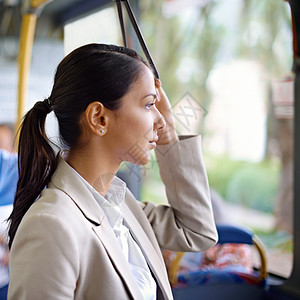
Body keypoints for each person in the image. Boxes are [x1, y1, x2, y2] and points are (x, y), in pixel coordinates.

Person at [7, 44, 217, 300]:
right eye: (150, 105)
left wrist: (170, 134)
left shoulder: (121, 207)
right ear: (99, 118)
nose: (160, 122)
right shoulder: (51, 225)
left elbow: (197, 231)